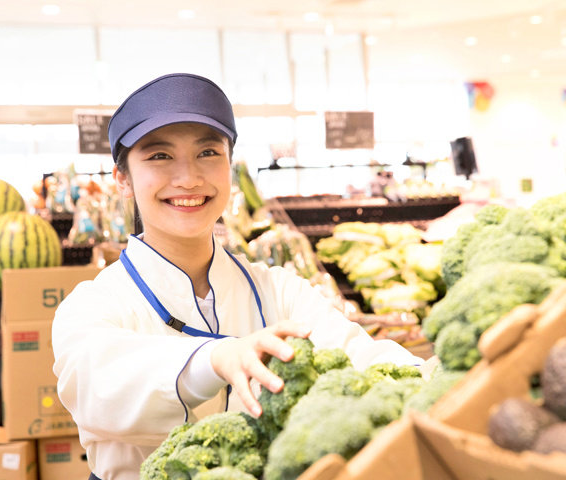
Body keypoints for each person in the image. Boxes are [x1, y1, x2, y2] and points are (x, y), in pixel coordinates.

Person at [52, 73, 423, 480]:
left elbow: (366, 362)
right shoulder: (93, 305)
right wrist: (214, 360)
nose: (189, 178)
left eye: (208, 152)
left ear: (230, 165)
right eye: (159, 156)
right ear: (123, 178)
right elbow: (96, 385)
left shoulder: (281, 292)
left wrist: (442, 377)